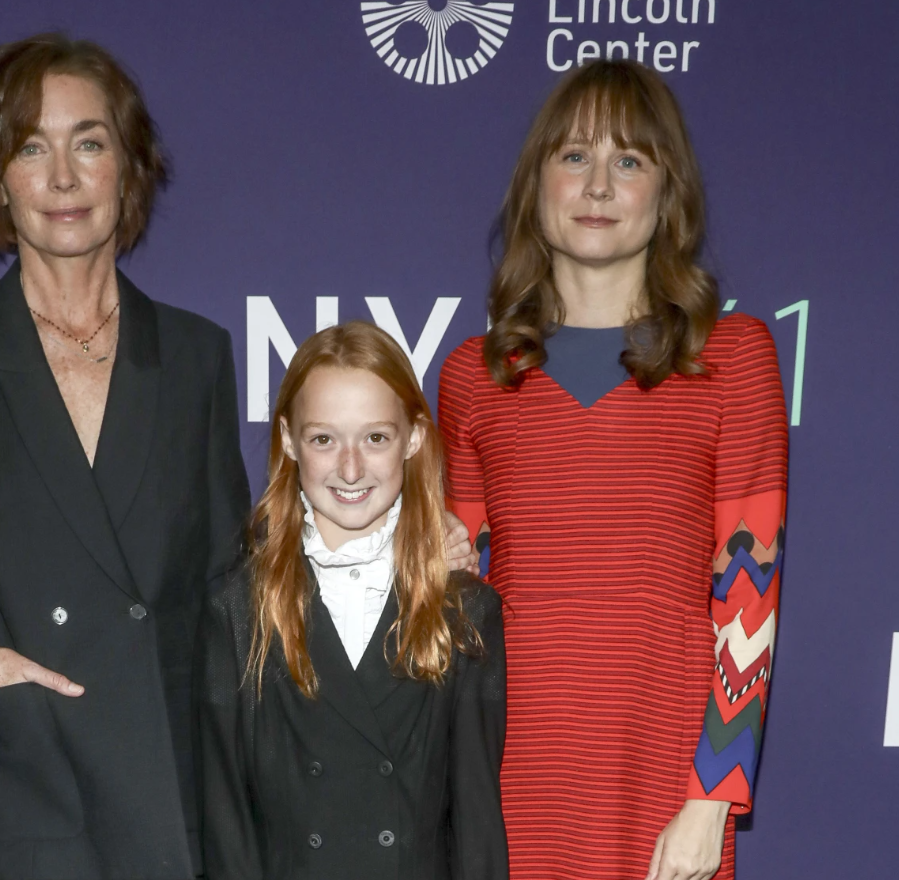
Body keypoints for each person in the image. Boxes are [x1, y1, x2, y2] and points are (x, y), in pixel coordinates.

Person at [0, 34, 251, 879]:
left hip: (172, 786)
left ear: (127, 168)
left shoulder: (196, 354)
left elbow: (231, 579)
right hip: (22, 783)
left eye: (89, 143)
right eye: (31, 147)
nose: (63, 178)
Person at [438, 60, 787, 880]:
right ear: (535, 187)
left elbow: (749, 590)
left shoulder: (733, 359)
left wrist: (712, 799)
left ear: (667, 195)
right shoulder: (470, 376)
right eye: (572, 157)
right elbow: (440, 579)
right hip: (506, 767)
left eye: (628, 160)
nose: (598, 184)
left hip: (663, 771)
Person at [198, 322, 509, 880]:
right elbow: (225, 823)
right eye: (324, 439)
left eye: (375, 438)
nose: (349, 468)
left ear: (413, 438)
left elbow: (477, 824)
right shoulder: (239, 608)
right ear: (289, 440)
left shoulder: (464, 611)